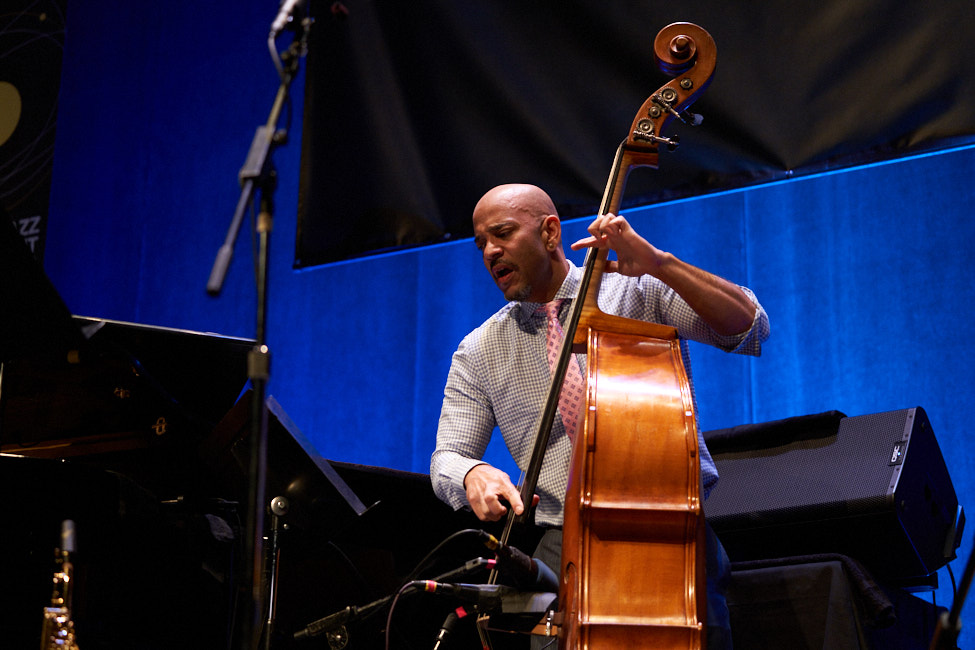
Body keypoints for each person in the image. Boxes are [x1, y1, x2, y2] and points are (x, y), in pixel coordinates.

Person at [430, 183, 770, 649]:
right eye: (481, 243)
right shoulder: (479, 351)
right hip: (561, 545)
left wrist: (660, 265)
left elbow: (749, 328)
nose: (490, 252)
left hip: (669, 532)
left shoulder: (637, 292)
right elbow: (447, 454)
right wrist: (472, 472)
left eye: (503, 234)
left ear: (550, 232)